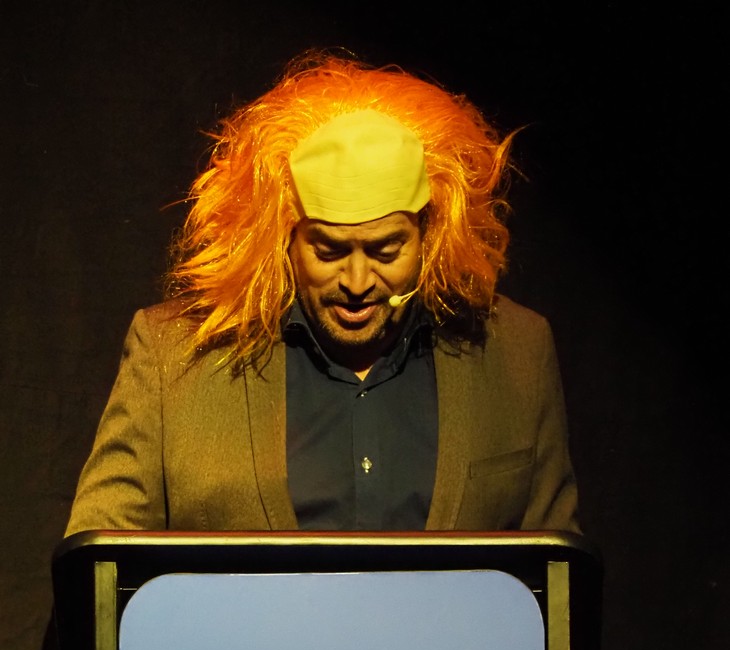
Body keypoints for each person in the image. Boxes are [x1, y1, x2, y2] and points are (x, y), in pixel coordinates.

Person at [64, 50, 579, 537]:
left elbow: (558, 578)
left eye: (386, 251)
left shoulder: (519, 351)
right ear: (285, 239)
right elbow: (100, 567)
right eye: (328, 251)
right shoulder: (170, 357)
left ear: (430, 234)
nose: (356, 283)